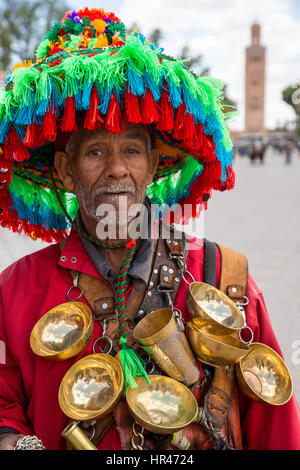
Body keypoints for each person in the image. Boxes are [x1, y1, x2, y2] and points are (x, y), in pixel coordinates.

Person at [0, 7, 299, 451]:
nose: (117, 169)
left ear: (154, 166)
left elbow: (277, 432)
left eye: (133, 152)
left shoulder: (225, 279)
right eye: (96, 151)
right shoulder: (16, 290)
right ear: (66, 170)